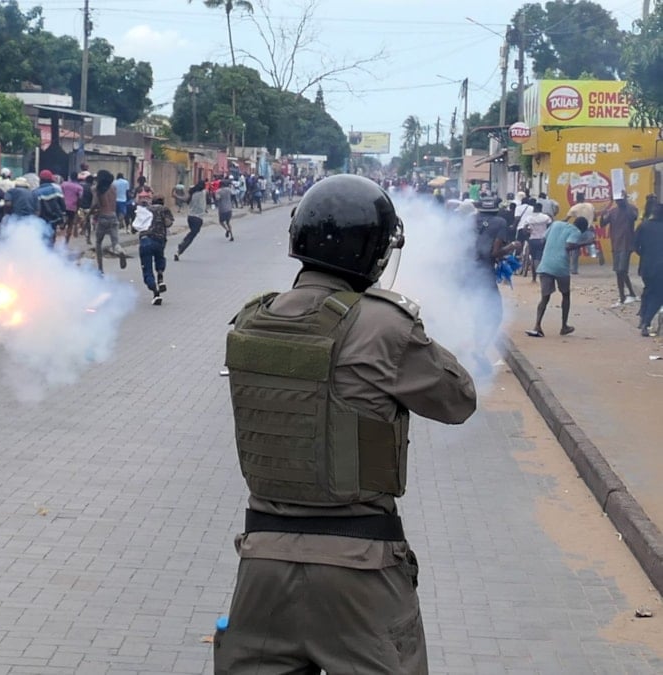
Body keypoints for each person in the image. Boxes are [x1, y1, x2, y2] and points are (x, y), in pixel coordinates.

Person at [216, 174, 477, 674]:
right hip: (360, 566)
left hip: (262, 562)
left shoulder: (252, 318)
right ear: (376, 253)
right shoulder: (386, 327)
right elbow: (457, 401)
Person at [526, 216, 591, 338]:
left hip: (545, 264)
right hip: (561, 266)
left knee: (544, 297)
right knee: (565, 295)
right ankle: (564, 326)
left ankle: (537, 325)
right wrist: (585, 243)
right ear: (583, 229)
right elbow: (569, 246)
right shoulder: (576, 232)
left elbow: (542, 241)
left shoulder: (556, 224)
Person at [470, 196, 516, 369]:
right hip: (484, 273)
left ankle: (477, 349)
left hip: (466, 271)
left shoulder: (470, 220)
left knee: (476, 312)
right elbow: (495, 253)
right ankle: (480, 350)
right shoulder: (500, 222)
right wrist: (512, 247)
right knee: (495, 314)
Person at [602, 191, 639, 307]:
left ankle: (624, 296)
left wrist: (626, 200)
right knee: (620, 272)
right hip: (616, 244)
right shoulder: (612, 211)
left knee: (621, 270)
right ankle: (627, 294)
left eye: (620, 200)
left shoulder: (631, 209)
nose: (619, 202)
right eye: (617, 200)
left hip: (627, 244)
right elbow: (603, 223)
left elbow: (634, 217)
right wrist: (603, 214)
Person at [136, 197, 173, 305]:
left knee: (147, 269)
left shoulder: (145, 210)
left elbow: (136, 227)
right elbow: (168, 223)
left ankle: (156, 293)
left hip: (145, 240)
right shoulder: (165, 209)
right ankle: (160, 278)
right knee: (160, 259)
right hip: (159, 240)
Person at [636, 200, 663, 337]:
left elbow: (635, 246)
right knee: (658, 296)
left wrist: (645, 255)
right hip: (660, 268)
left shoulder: (643, 226)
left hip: (646, 267)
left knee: (648, 291)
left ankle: (642, 318)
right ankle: (646, 323)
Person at [92, 170, 127, 274]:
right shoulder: (113, 188)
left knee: (98, 243)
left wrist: (89, 215)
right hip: (113, 216)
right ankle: (121, 252)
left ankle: (100, 268)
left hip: (103, 217)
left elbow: (95, 204)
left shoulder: (97, 189)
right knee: (115, 243)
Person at [174, 180, 207, 261]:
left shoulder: (192, 192)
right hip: (198, 218)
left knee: (191, 233)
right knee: (192, 236)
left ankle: (182, 243)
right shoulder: (204, 192)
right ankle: (180, 250)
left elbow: (185, 199)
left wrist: (175, 196)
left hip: (190, 217)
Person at [566, 193, 598, 274]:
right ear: (584, 198)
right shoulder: (590, 206)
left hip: (578, 231)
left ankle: (574, 270)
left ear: (576, 199)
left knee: (575, 251)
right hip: (589, 229)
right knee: (591, 247)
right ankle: (596, 253)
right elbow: (595, 218)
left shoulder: (574, 208)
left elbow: (567, 219)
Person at [34, 170, 67, 246]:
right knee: (52, 237)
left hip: (42, 220)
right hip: (54, 219)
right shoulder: (57, 189)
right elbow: (62, 205)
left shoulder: (36, 192)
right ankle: (50, 252)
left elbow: (37, 209)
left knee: (42, 238)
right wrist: (62, 218)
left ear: (40, 180)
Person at [61, 172, 84, 244]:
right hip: (72, 207)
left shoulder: (63, 184)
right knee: (70, 224)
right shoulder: (79, 187)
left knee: (62, 220)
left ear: (70, 177)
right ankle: (66, 241)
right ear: (77, 177)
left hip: (63, 206)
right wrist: (78, 207)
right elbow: (80, 198)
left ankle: (63, 224)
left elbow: (60, 194)